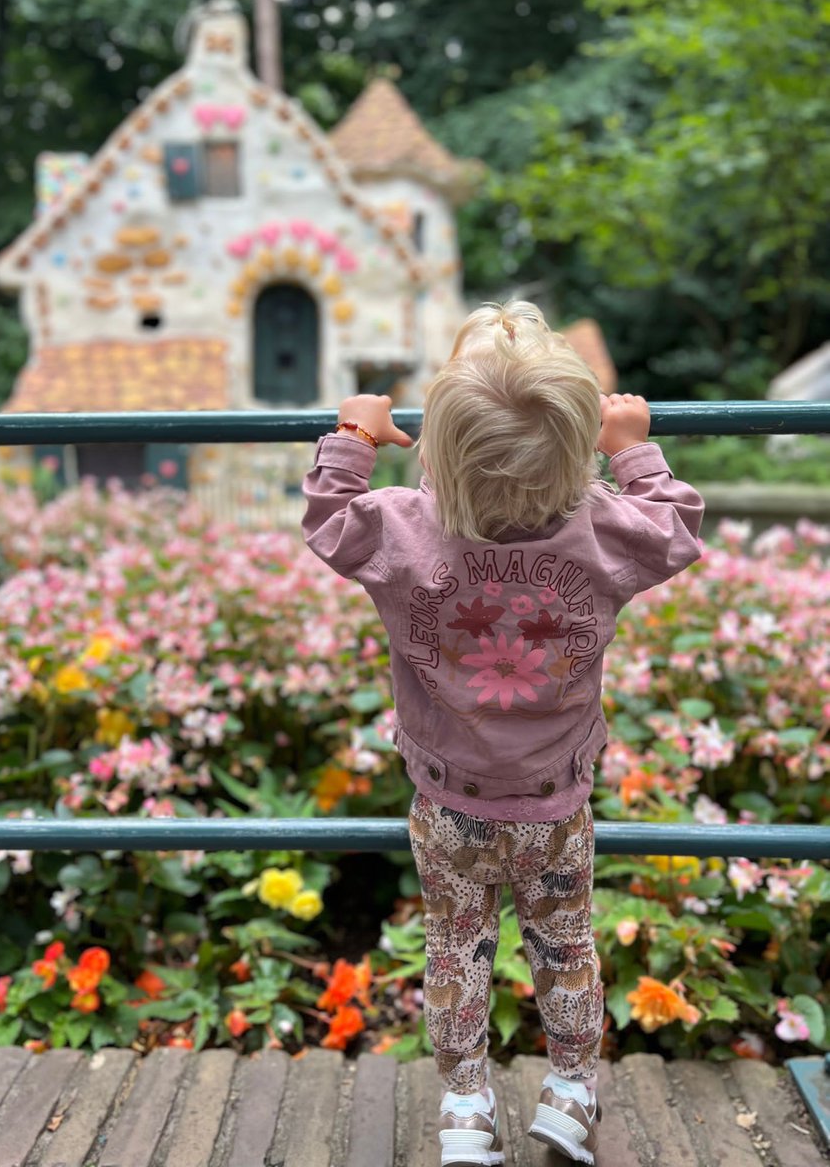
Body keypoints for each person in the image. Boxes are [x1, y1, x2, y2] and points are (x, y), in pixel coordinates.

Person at [302, 300, 704, 1166]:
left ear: (440, 445)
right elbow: (674, 530)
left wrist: (354, 432)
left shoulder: (405, 528)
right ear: (578, 442)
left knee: (455, 949)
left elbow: (331, 520)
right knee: (563, 944)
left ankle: (464, 1112)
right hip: (554, 800)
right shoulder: (599, 528)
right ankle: (566, 1094)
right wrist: (632, 446)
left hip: (449, 798)